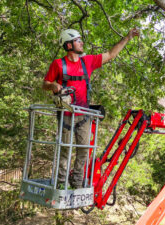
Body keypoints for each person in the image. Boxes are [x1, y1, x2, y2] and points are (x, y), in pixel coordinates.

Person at [42, 28, 139, 189]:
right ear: (69, 45)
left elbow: (110, 54)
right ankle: (61, 183)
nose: (82, 43)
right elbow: (45, 84)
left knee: (84, 150)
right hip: (65, 114)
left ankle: (77, 182)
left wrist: (127, 38)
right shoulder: (58, 64)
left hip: (83, 115)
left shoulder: (87, 61)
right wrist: (54, 85)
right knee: (65, 149)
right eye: (78, 40)